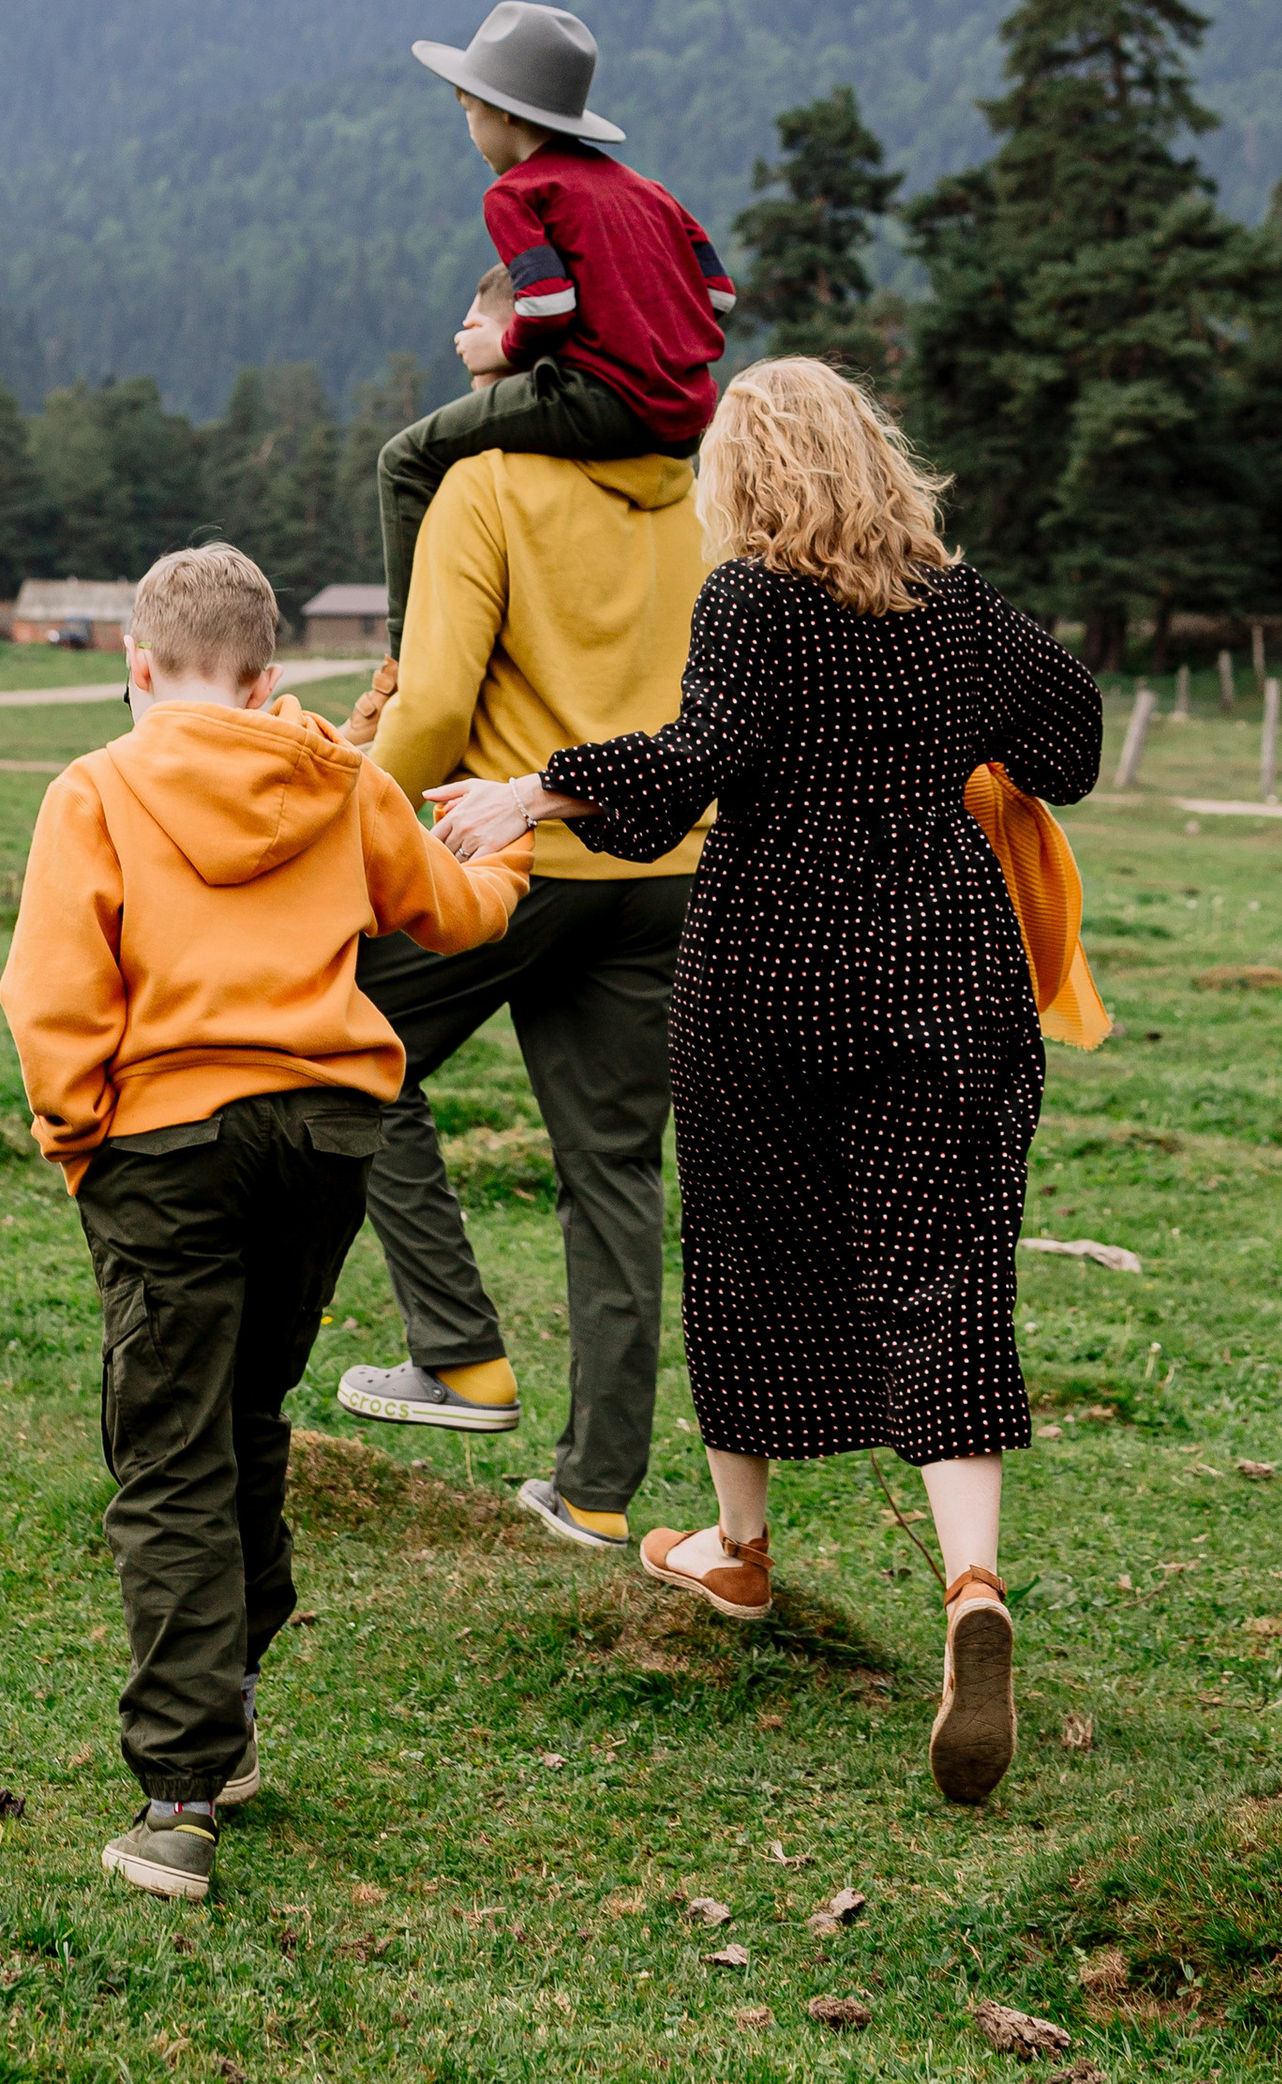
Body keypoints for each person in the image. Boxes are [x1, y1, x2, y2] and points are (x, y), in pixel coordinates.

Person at [431, 356, 1101, 1806]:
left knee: (743, 1249)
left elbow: (701, 755)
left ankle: (740, 1555)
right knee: (945, 1278)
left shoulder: (749, 601)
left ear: (750, 478)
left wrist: (531, 791)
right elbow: (1074, 738)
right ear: (874, 462)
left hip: (771, 971)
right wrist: (958, 750)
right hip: (943, 967)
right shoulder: (960, 609)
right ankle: (971, 1585)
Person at [0, 540, 530, 1906]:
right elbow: (456, 911)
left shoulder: (97, 788)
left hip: (167, 1140)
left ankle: (178, 1797)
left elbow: (55, 998)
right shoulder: (340, 778)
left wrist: (79, 1148)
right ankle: (225, 1710)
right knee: (245, 1420)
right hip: (327, 1133)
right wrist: (513, 853)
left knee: (170, 1452)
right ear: (269, 674)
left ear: (135, 670)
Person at [332, 262, 710, 1551]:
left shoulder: (477, 484)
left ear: (539, 342)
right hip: (665, 866)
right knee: (613, 1173)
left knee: (350, 1041)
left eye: (478, 311)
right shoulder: (693, 498)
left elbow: (433, 707)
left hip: (520, 858)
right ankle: (599, 1492)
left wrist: (350, 816)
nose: (455, 329)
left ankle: (460, 1358)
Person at [363, 0, 734, 692]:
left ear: (504, 113)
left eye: (468, 108)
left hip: (601, 399)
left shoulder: (517, 191)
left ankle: (405, 666)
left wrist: (504, 349)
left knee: (403, 461)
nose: (468, 126)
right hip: (684, 417)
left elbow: (549, 303)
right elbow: (719, 293)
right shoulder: (650, 194)